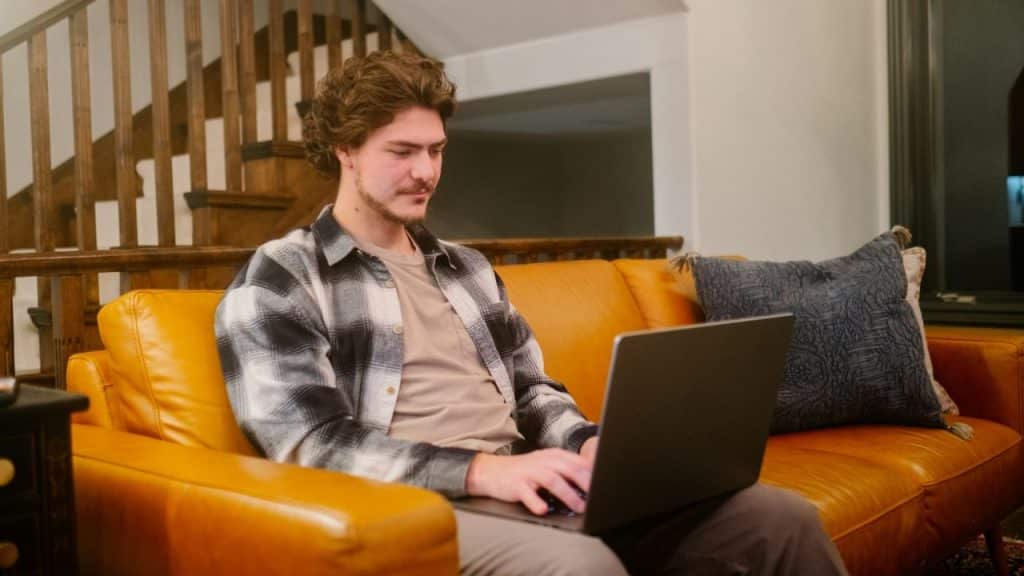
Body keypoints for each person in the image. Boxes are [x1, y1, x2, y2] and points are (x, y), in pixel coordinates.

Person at [214, 50, 847, 576]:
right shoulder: (282, 276)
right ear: (345, 149)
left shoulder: (467, 268)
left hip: (524, 482)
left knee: (780, 520)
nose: (426, 171)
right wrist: (486, 472)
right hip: (416, 507)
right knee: (584, 568)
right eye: (402, 151)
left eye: (436, 150)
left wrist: (591, 446)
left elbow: (533, 390)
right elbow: (307, 444)